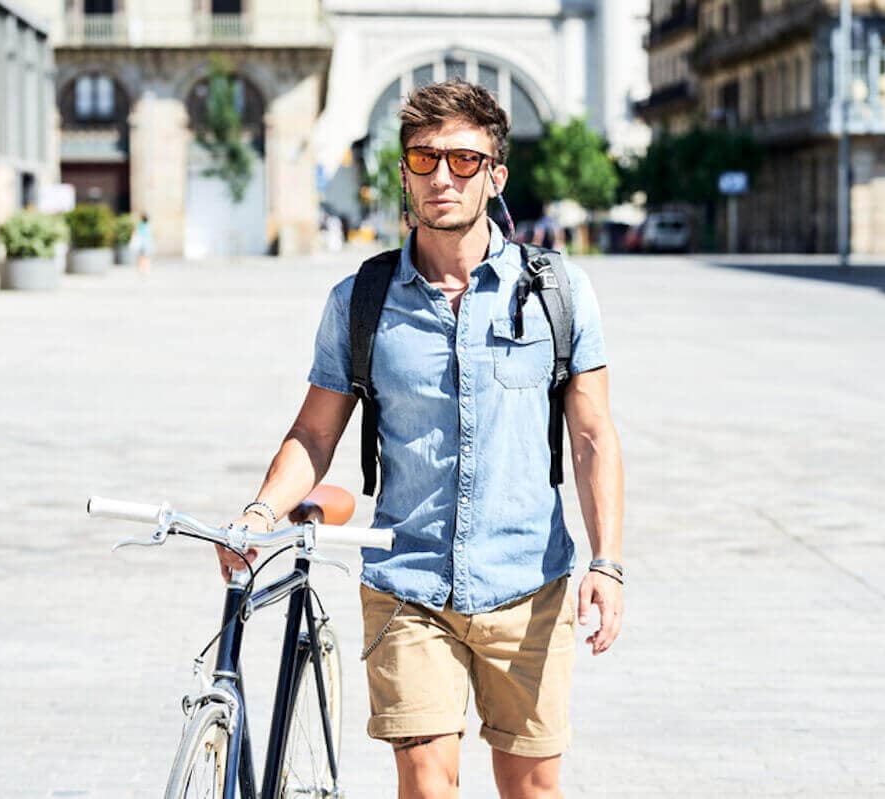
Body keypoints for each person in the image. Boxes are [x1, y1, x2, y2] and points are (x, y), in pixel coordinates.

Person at [218, 79, 624, 799]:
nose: (442, 175)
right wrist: (260, 513)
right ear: (404, 173)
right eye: (424, 158)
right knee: (427, 783)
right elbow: (314, 432)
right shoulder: (360, 300)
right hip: (409, 586)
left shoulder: (560, 291)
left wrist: (609, 562)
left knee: (532, 786)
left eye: (465, 161)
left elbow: (592, 435)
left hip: (528, 584)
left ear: (496, 174)